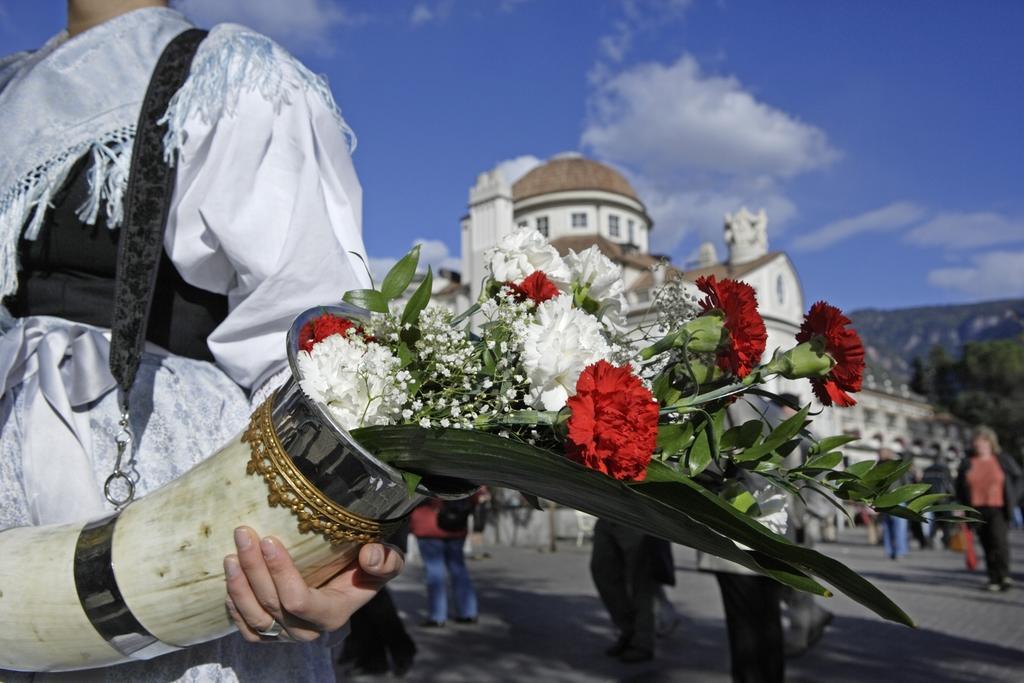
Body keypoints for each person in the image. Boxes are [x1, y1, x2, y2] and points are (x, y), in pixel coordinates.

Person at [0, 3, 401, 681]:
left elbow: (310, 337)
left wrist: (343, 529)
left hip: (149, 481)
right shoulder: (12, 85)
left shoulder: (226, 74)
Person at [956, 426, 1022, 592]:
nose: (979, 445)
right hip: (976, 508)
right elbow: (959, 487)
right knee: (986, 544)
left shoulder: (1002, 459)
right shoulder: (967, 462)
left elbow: (1019, 478)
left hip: (998, 507)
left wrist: (1013, 498)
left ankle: (1004, 576)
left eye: (983, 441)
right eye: (976, 442)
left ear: (990, 443)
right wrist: (959, 507)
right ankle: (993, 577)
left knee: (999, 541)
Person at [590, 519, 657, 663]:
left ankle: (643, 641)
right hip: (606, 512)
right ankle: (628, 630)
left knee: (641, 580)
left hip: (637, 514)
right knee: (602, 570)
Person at [410, 497, 480, 626]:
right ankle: (468, 612)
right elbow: (477, 493)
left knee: (435, 572)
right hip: (456, 523)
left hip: (428, 526)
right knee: (459, 570)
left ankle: (437, 616)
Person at [877, 446, 910, 560]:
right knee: (891, 526)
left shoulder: (896, 464)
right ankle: (893, 550)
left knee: (897, 526)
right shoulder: (879, 465)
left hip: (896, 497)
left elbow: (905, 480)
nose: (880, 454)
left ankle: (899, 550)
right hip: (887, 498)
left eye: (881, 452)